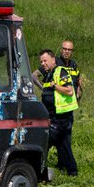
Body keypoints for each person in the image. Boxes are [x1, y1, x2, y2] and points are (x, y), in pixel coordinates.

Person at [32, 49, 78, 177]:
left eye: (45, 60)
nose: (43, 63)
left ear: (53, 60)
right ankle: (72, 172)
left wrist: (55, 86)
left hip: (61, 117)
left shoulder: (60, 71)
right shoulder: (48, 74)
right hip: (53, 116)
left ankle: (37, 173)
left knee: (43, 143)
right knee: (63, 145)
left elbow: (69, 91)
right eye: (41, 61)